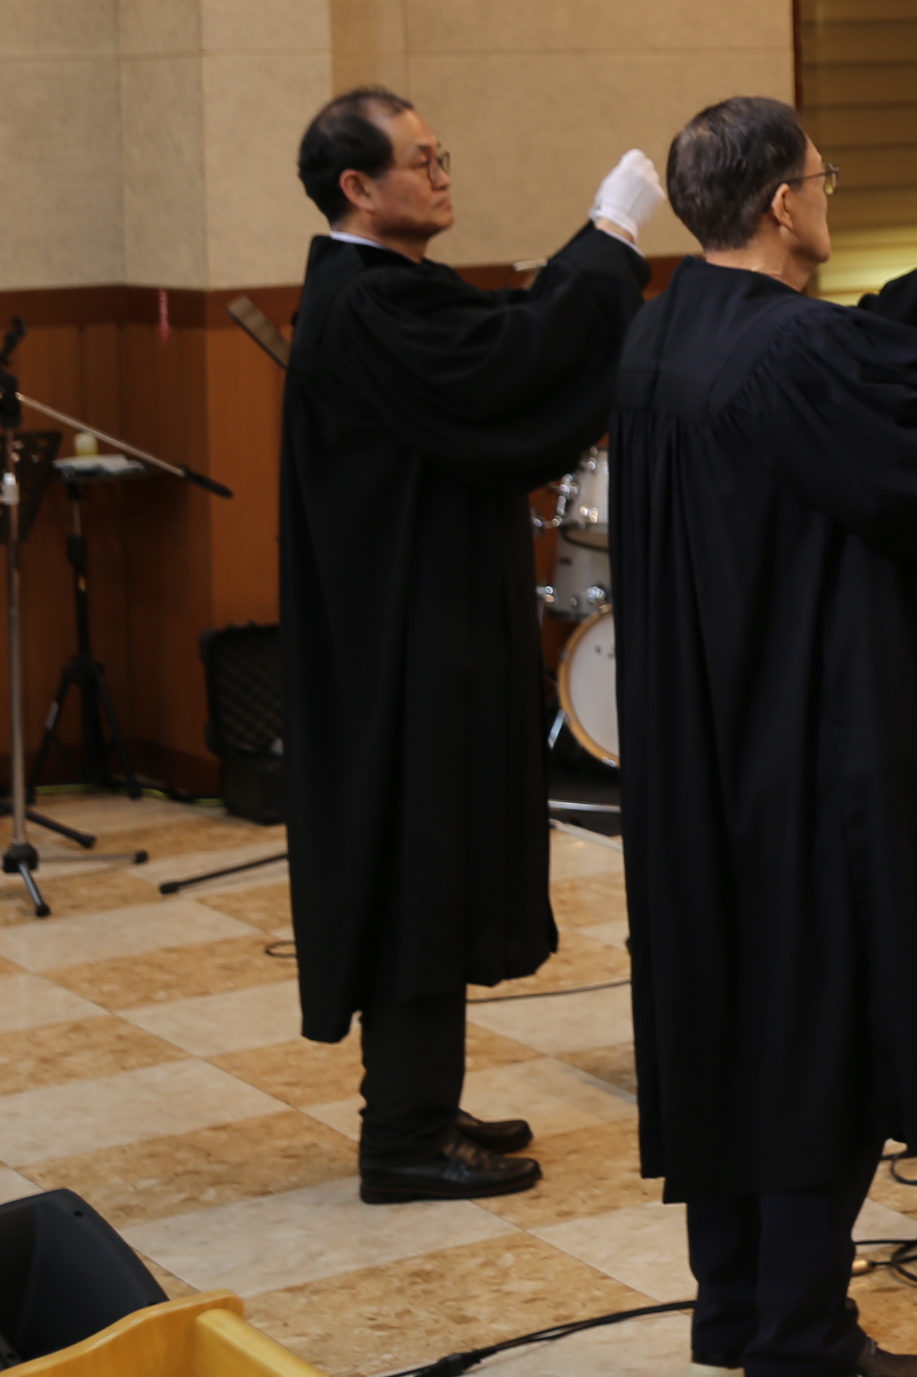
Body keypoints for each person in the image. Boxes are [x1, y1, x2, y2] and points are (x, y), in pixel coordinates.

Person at [609, 101, 917, 1377]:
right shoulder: (788, 347)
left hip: (701, 742)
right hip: (801, 742)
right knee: (815, 1019)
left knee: (729, 1015)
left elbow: (846, 375)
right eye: (823, 176)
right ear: (781, 203)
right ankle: (804, 1338)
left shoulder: (667, 326)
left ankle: (738, 1307)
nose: (828, 193)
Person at [279, 91, 659, 1203]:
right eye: (422, 160)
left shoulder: (390, 291)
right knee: (417, 864)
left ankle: (424, 1105)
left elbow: (501, 346)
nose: (444, 174)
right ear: (358, 186)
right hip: (399, 646)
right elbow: (510, 367)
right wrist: (610, 237)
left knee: (436, 859)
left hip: (423, 623)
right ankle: (402, 1136)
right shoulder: (366, 302)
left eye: (444, 155)